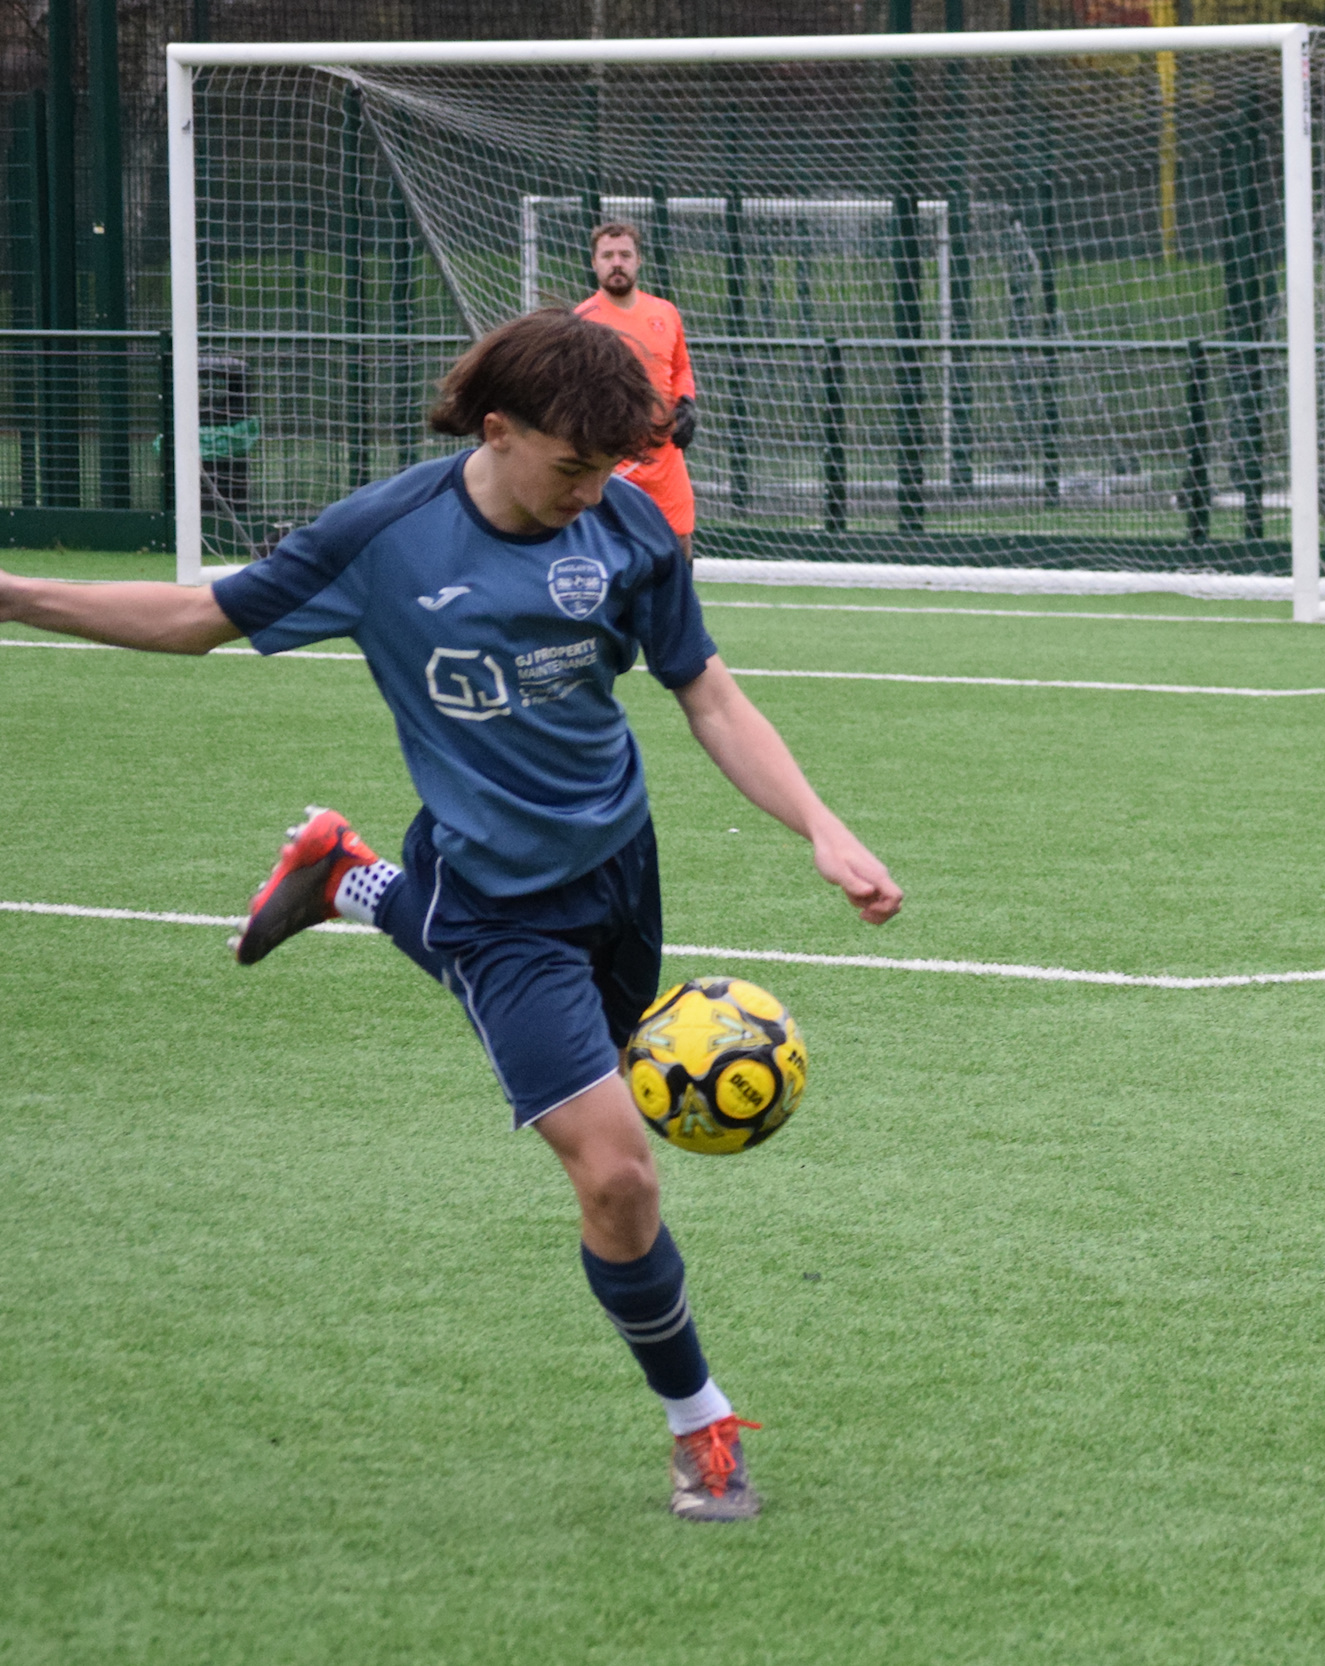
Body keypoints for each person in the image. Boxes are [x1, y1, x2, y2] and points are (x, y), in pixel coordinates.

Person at [0, 309, 901, 1522]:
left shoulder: (625, 526)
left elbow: (706, 693)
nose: (592, 493)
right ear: (497, 428)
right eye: (573, 465)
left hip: (620, 868)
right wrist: (15, 596)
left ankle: (347, 875)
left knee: (614, 1097)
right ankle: (701, 1422)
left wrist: (822, 827)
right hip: (494, 904)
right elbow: (197, 618)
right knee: (619, 1175)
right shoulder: (384, 537)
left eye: (612, 467)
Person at [575, 221, 699, 557]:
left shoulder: (665, 312)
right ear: (594, 262)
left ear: (638, 260)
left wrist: (686, 402)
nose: (617, 263)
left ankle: (678, 594)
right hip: (610, 456)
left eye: (625, 255)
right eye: (608, 256)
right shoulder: (582, 320)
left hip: (663, 452)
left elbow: (681, 367)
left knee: (679, 542)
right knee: (608, 545)